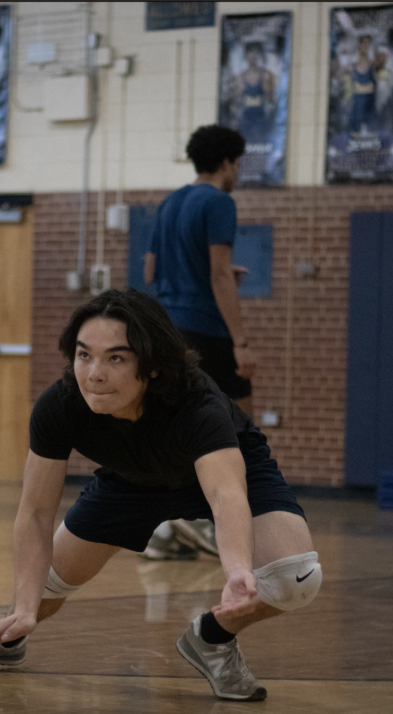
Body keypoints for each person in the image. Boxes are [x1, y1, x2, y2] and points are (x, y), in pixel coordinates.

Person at [0, 290, 321, 701]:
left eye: (116, 358)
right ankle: (4, 636)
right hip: (131, 482)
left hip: (230, 472)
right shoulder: (59, 406)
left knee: (296, 579)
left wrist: (237, 569)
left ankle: (213, 637)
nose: (94, 373)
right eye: (83, 355)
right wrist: (26, 605)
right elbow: (36, 512)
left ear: (150, 366)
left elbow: (226, 494)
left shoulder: (197, 405)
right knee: (46, 582)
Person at [141, 125, 256, 560]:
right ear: (228, 162)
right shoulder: (220, 202)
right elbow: (218, 273)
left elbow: (152, 272)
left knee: (180, 426)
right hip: (206, 330)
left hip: (167, 329)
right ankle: (206, 520)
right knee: (237, 425)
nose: (238, 171)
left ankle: (165, 529)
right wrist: (241, 342)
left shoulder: (170, 202)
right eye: (238, 163)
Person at [233, 42, 275, 142]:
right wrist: (238, 94)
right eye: (250, 52)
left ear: (259, 54)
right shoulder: (240, 77)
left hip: (261, 120)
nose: (253, 55)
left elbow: (271, 101)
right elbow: (235, 103)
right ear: (245, 56)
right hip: (246, 120)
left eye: (256, 52)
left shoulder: (266, 74)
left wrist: (267, 90)